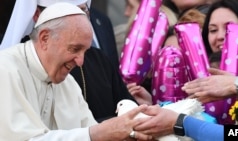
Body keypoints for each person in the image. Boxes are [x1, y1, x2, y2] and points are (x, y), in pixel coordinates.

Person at [0, 3, 153, 141]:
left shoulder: (68, 82)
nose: (80, 62)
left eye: (85, 51)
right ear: (45, 38)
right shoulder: (6, 70)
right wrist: (99, 133)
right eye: (75, 49)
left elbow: (90, 128)